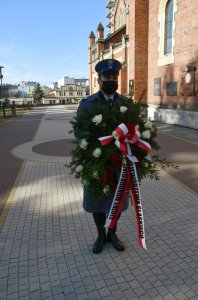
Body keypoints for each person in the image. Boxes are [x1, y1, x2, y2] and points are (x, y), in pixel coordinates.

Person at [76, 59, 132, 254]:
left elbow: (134, 131)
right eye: (107, 77)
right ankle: (101, 235)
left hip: (119, 163)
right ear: (98, 79)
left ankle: (112, 234)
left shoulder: (126, 103)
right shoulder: (87, 104)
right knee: (98, 201)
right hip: (96, 162)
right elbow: (79, 132)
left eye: (114, 77)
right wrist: (95, 150)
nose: (111, 80)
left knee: (116, 201)